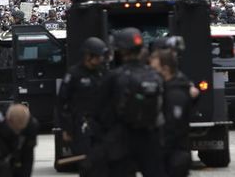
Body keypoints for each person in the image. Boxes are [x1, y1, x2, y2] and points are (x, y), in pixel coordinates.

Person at [98, 28, 166, 177]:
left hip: (121, 139)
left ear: (120, 51)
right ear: (142, 50)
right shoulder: (155, 76)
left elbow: (101, 111)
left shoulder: (113, 77)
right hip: (150, 138)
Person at [57, 37, 109, 176]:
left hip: (101, 125)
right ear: (88, 56)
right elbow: (63, 102)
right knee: (86, 164)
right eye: (98, 57)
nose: (101, 60)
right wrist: (66, 129)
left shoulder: (103, 73)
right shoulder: (74, 74)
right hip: (80, 125)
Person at [149, 48, 193, 177]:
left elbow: (172, 129)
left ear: (166, 69)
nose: (152, 72)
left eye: (155, 68)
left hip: (174, 158)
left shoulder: (175, 94)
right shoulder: (167, 88)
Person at [7, 104, 39, 177]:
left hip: (26, 147)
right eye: (16, 128)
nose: (18, 131)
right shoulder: (2, 123)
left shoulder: (33, 126)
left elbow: (28, 156)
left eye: (20, 128)